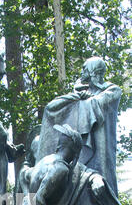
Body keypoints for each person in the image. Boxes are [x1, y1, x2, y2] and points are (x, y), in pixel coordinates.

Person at [8, 124, 130, 205]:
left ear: (59, 146)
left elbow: (83, 171)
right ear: (76, 153)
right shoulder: (60, 168)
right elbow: (37, 201)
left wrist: (96, 178)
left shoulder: (46, 161)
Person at [35, 57, 122, 195]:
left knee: (103, 179)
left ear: (93, 70)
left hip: (101, 147)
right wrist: (76, 96)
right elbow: (51, 108)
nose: (81, 72)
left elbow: (97, 104)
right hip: (80, 148)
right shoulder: (79, 92)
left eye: (84, 68)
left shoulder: (113, 90)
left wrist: (82, 98)